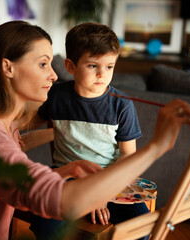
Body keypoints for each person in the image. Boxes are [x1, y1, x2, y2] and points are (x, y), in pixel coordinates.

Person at [0, 20, 190, 240]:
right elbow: (63, 202)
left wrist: (67, 169)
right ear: (8, 68)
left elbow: (18, 157)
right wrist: (157, 146)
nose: (54, 75)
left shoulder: (1, 125)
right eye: (44, 63)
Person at [28, 22, 146, 239]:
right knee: (45, 223)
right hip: (67, 178)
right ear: (71, 67)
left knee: (140, 225)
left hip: (111, 182)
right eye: (93, 66)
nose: (102, 74)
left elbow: (128, 156)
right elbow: (26, 122)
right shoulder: (55, 96)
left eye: (109, 66)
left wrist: (99, 192)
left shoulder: (122, 105)